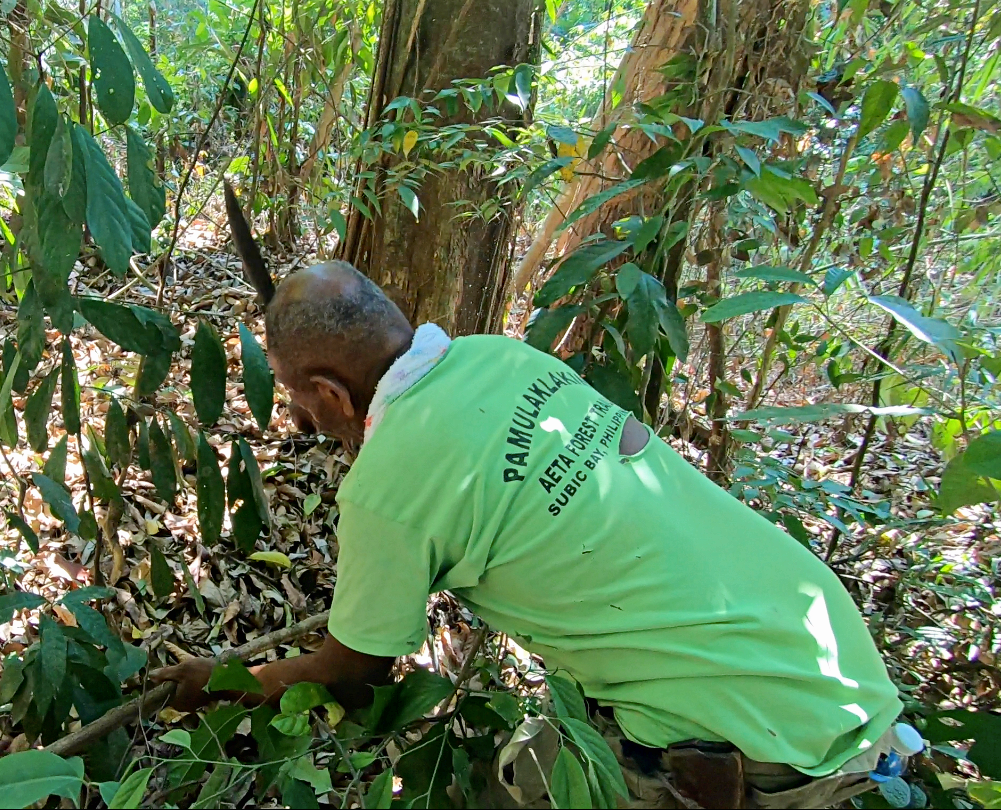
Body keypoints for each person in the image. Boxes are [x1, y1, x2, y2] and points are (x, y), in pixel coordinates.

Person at [153, 185, 918, 809]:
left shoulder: (384, 492)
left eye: (297, 397)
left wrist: (226, 683)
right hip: (832, 657)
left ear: (330, 391)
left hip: (761, 739)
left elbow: (355, 673)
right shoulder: (497, 354)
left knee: (506, 791)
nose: (295, 417)